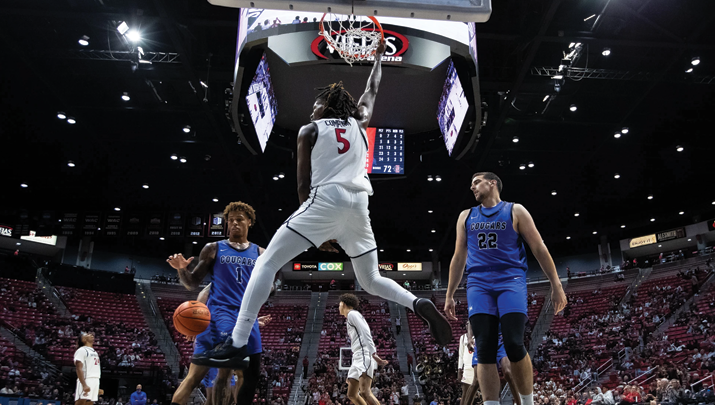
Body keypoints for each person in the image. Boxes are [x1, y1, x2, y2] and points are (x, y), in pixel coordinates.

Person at [191, 40, 451, 369]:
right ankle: (417, 302)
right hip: (359, 206)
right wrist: (380, 57)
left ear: (326, 105)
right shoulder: (360, 122)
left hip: (324, 199)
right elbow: (372, 88)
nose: (311, 110)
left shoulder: (309, 130)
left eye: (315, 104)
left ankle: (238, 341)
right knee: (370, 279)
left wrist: (314, 227)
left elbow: (302, 185)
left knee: (266, 263)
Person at [444, 172, 567, 405]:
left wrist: (556, 283)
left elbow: (539, 247)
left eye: (476, 182)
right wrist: (450, 294)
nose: (472, 187)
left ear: (493, 183)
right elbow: (459, 257)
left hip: (510, 280)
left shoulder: (515, 210)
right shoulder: (465, 216)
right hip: (478, 284)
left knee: (513, 342)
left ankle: (528, 402)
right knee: (484, 347)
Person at [166, 201, 267, 405]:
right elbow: (192, 283)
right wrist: (181, 269)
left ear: (250, 221)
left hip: (247, 317)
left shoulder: (260, 253)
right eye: (230, 221)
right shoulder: (213, 249)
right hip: (221, 316)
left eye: (239, 219)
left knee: (251, 375)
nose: (234, 223)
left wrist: (269, 286)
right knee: (217, 376)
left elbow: (270, 289)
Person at [339, 294, 388, 405]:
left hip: (364, 355)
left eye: (339, 304)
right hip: (356, 357)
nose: (338, 307)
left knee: (365, 392)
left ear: (344, 304)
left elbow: (366, 332)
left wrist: (373, 353)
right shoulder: (350, 317)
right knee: (351, 394)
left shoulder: (352, 314)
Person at [75, 331, 103, 405]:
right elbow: (78, 368)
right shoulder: (81, 350)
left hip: (95, 379)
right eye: (87, 335)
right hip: (86, 379)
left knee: (90, 403)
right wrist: (84, 384)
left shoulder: (94, 351)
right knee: (80, 402)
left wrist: (96, 387)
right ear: (83, 340)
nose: (90, 335)